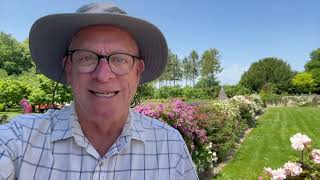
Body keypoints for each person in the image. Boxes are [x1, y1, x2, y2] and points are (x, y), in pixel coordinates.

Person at [0, 3, 199, 180]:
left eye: (120, 59)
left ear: (138, 72)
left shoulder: (170, 147)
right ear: (68, 69)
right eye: (86, 57)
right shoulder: (19, 140)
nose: (103, 75)